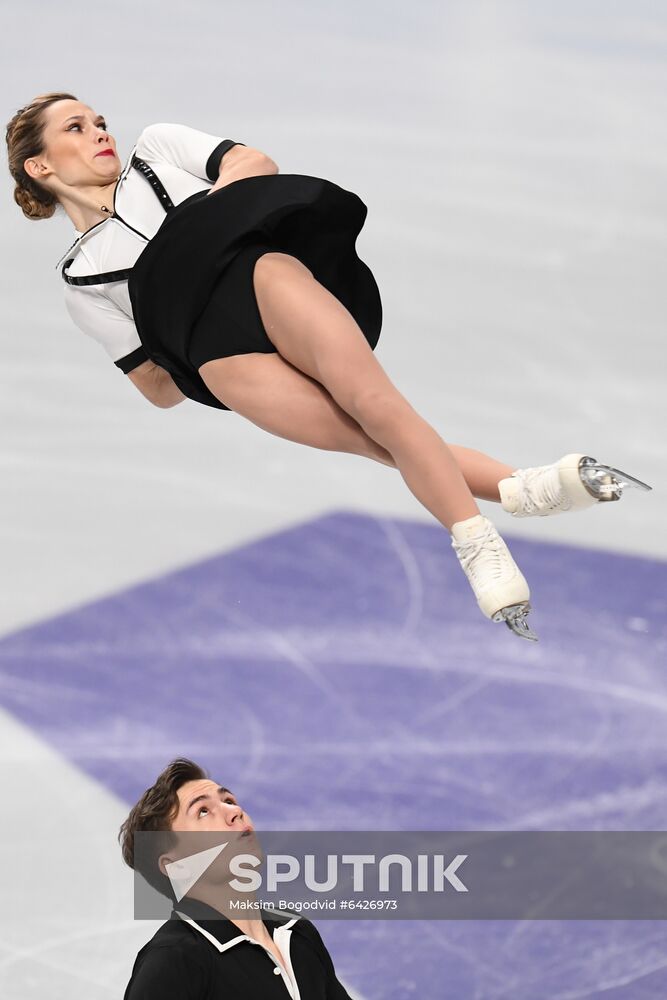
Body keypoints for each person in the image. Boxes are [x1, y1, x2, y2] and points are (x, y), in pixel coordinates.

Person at [6, 93, 651, 641]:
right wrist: (165, 310)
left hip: (257, 277)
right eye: (76, 128)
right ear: (40, 164)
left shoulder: (156, 148)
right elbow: (156, 387)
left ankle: (477, 538)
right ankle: (519, 490)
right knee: (368, 440)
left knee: (378, 407)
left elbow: (254, 164)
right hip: (218, 355)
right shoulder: (81, 282)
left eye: (97, 122)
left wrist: (193, 238)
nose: (100, 132)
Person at [119, 758, 352, 999]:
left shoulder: (297, 933)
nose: (234, 811)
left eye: (228, 800)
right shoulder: (174, 961)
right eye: (203, 811)